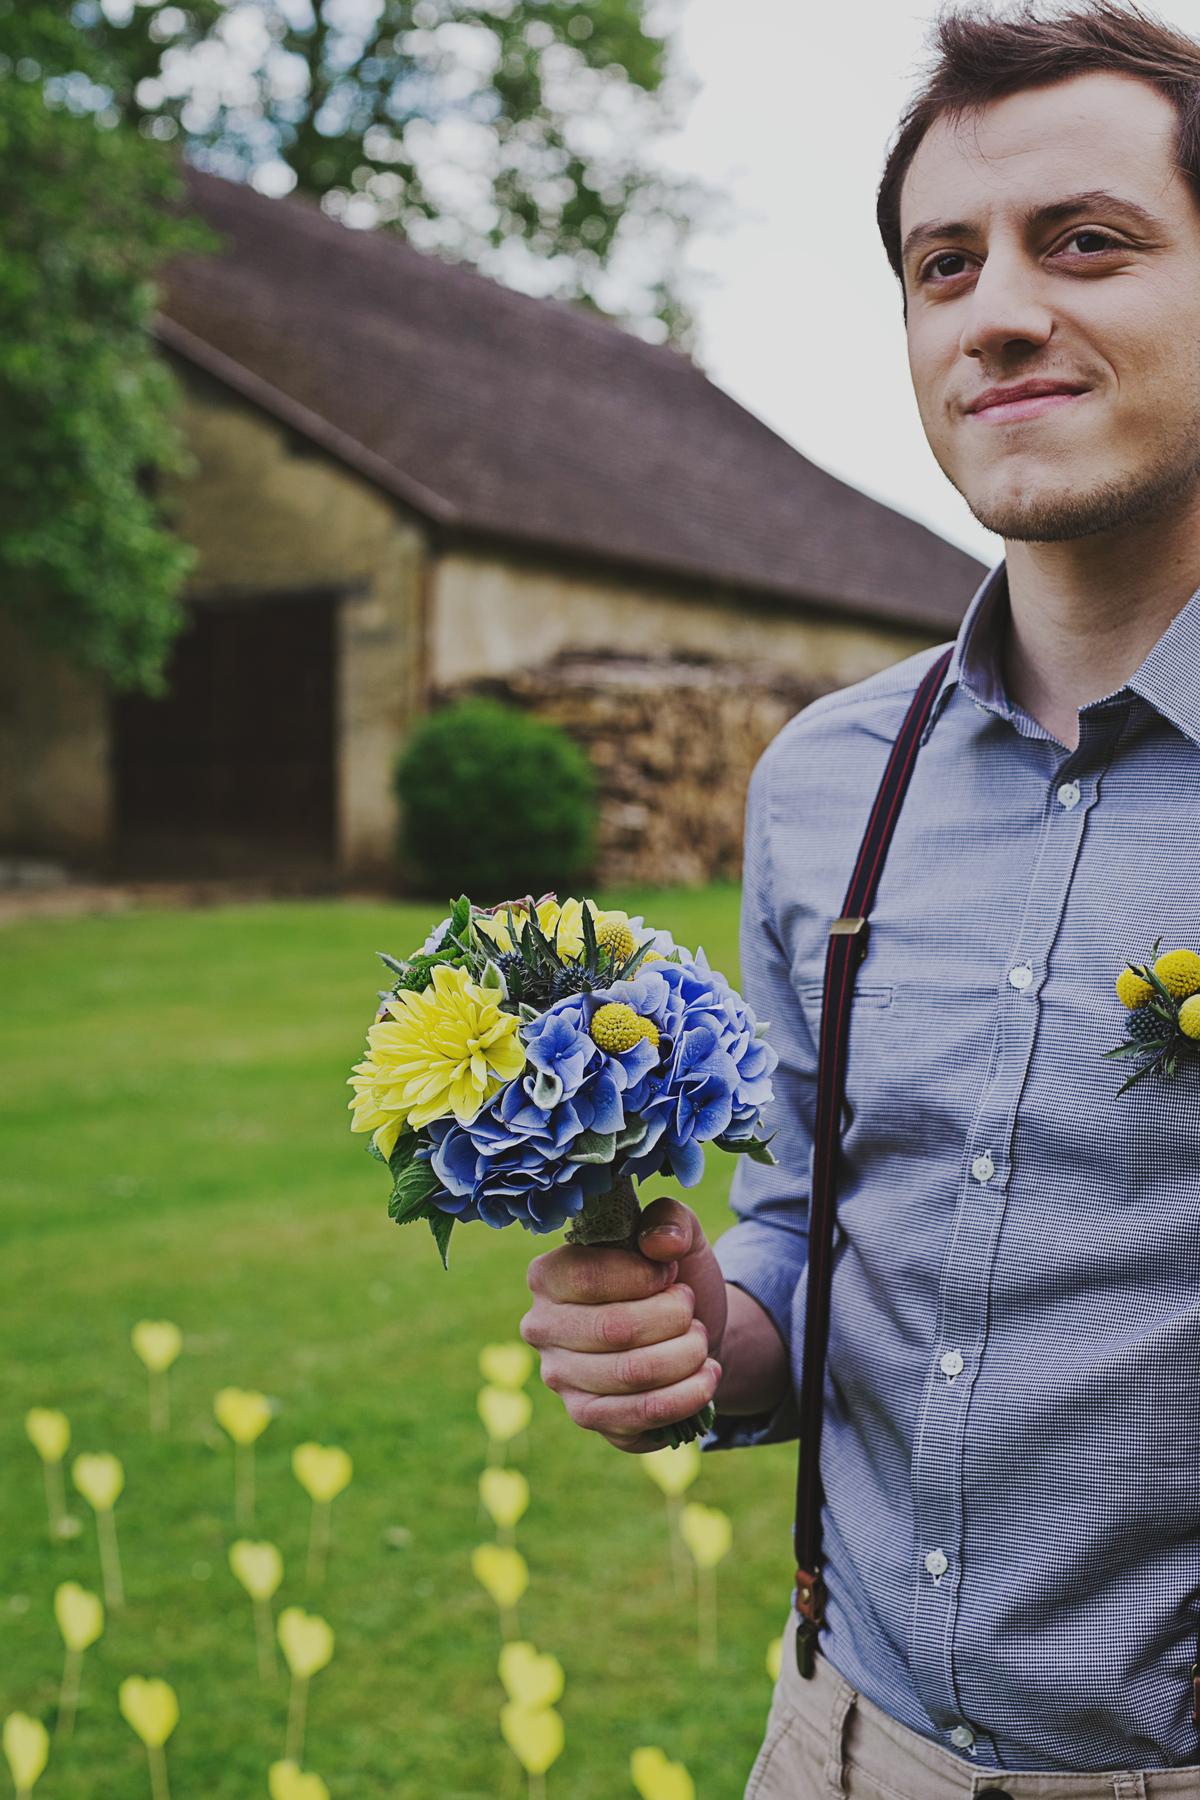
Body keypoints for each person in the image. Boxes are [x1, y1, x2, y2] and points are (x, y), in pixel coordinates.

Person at [522, 3, 1200, 1794]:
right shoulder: (829, 785)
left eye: (1089, 244)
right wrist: (708, 1337)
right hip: (844, 1746)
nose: (996, 309)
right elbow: (804, 1214)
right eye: (941, 265)